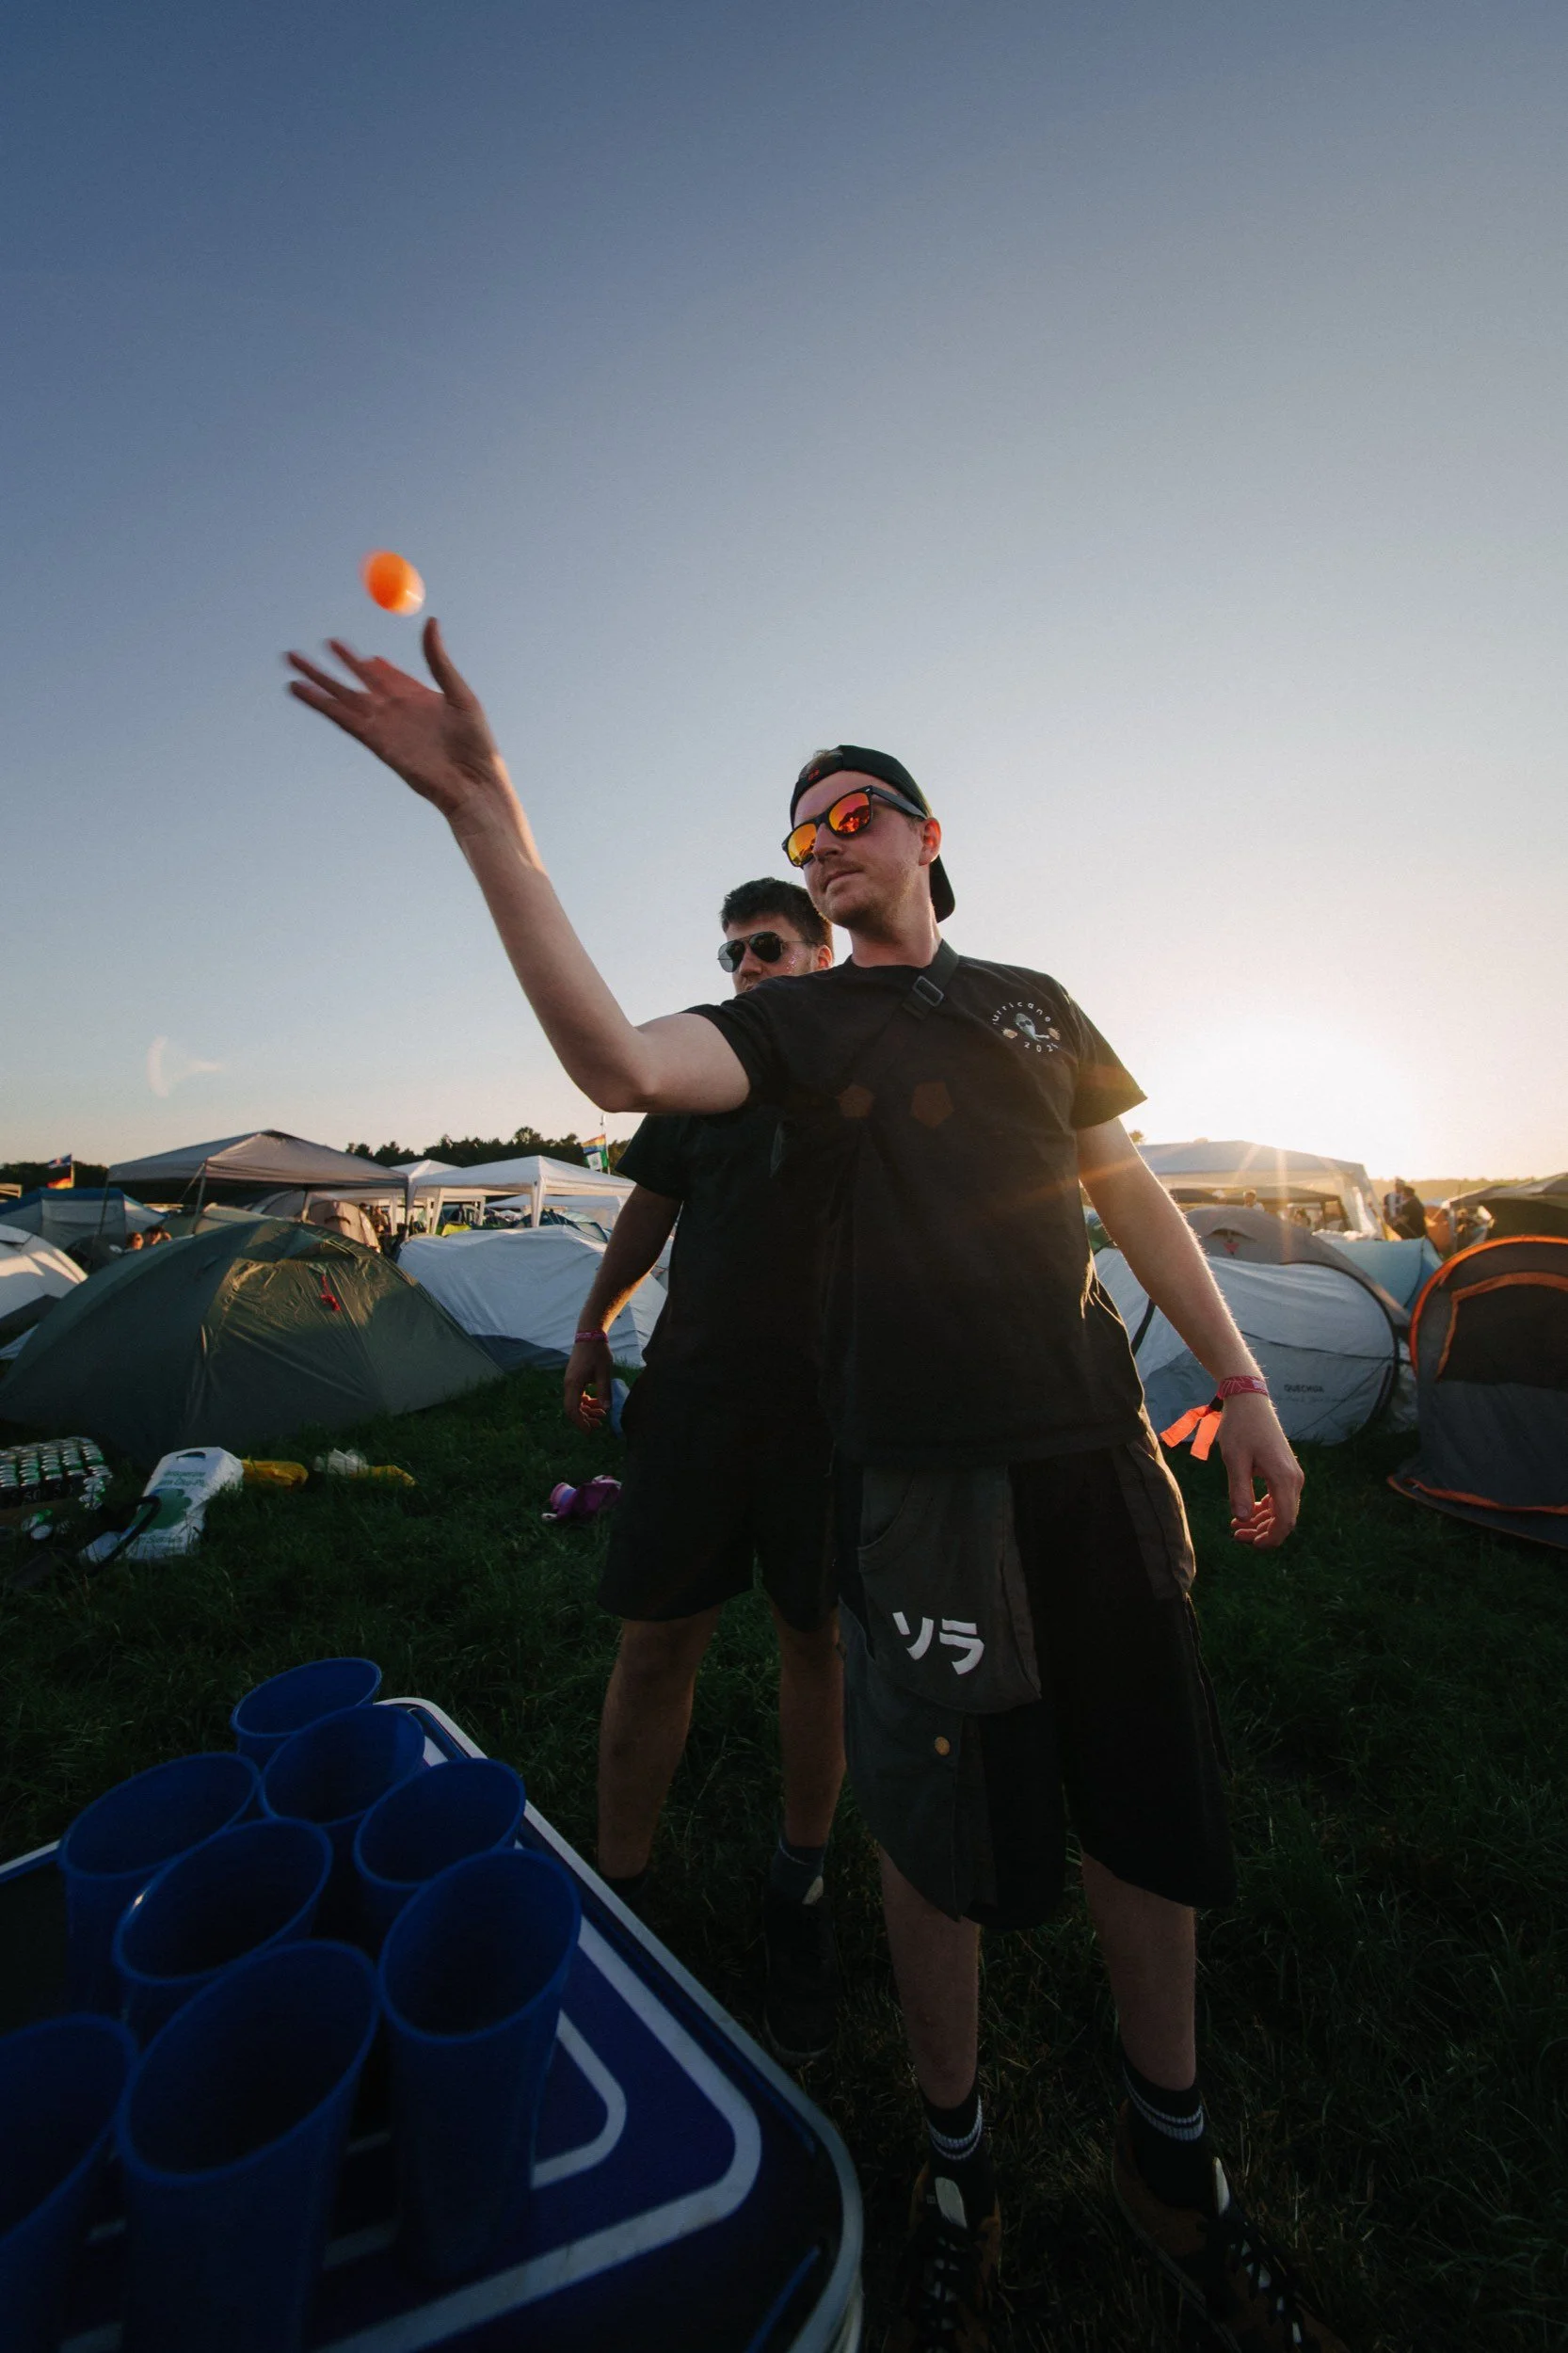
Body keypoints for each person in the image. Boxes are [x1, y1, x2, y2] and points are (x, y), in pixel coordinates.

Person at [287, 621, 1344, 2353]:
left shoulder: (1031, 1002)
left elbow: (1129, 1199)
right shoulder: (806, 1016)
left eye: (849, 813)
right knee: (933, 1832)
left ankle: (1176, 2163)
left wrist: (1238, 1386)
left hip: (1089, 1449)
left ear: (927, 835)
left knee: (1144, 1802)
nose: (822, 842)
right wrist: (491, 822)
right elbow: (623, 1070)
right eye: (799, 833)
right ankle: (956, 2166)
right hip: (916, 1478)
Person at [561, 878, 844, 2060]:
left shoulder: (864, 1049)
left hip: (836, 1406)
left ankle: (802, 1885)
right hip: (695, 1397)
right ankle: (618, 1892)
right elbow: (651, 1207)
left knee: (814, 1636)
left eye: (767, 945)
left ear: (822, 954)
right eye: (731, 950)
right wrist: (591, 1324)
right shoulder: (705, 1057)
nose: (744, 966)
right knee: (656, 1636)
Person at [1383, 1177, 1426, 1241]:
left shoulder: (1411, 1201)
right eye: (1397, 1185)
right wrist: (1388, 1221)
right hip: (1395, 1221)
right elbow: (1385, 1209)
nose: (1399, 1187)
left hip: (1406, 1224)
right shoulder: (1388, 1196)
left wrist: (1396, 1221)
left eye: (1401, 1186)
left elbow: (1405, 1217)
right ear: (1395, 1186)